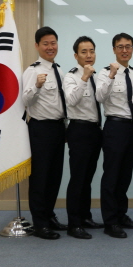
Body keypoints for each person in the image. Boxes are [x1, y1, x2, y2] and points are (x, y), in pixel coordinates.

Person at [95, 33, 133, 239]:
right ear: (114, 49)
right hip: (114, 127)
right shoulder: (105, 72)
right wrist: (112, 75)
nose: (125, 50)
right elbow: (100, 97)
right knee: (111, 175)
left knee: (125, 175)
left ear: (132, 49)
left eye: (128, 46)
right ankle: (110, 222)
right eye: (120, 47)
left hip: (131, 128)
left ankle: (121, 215)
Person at [22, 26, 67, 240]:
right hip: (40, 129)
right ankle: (40, 224)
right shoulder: (32, 71)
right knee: (40, 178)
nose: (50, 47)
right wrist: (37, 86)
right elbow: (25, 100)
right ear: (37, 46)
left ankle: (49, 216)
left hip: (58, 128)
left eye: (53, 43)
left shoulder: (59, 70)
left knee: (54, 176)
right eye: (46, 44)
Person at [63, 36, 104, 239]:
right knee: (78, 178)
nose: (89, 55)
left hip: (95, 130)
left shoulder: (96, 75)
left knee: (87, 178)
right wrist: (84, 78)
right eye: (84, 52)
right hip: (79, 130)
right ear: (76, 55)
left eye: (91, 51)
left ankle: (85, 216)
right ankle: (74, 224)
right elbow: (71, 101)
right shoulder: (71, 76)